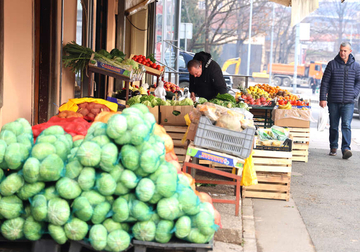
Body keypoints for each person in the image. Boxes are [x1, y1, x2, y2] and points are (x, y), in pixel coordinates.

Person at [319, 42, 360, 159]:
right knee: (334, 125)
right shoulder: (332, 65)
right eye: (341, 50)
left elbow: (359, 81)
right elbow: (325, 82)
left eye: (345, 51)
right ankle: (333, 146)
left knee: (346, 125)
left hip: (349, 102)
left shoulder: (356, 66)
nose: (342, 53)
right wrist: (322, 98)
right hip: (333, 100)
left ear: (350, 52)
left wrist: (354, 93)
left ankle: (346, 148)